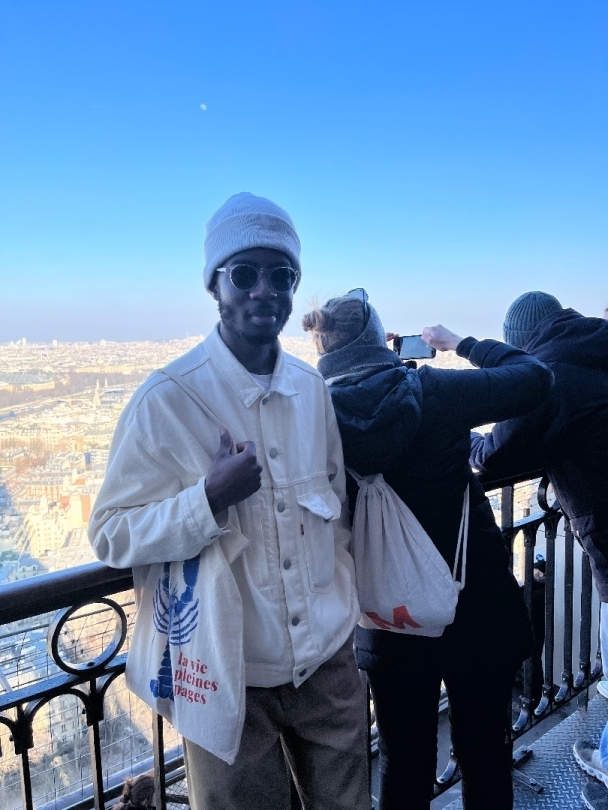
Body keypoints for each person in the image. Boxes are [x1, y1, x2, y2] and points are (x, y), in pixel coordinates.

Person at [88, 193, 369, 810]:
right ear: (214, 285)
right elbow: (109, 532)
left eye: (282, 275)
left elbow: (336, 510)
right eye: (244, 273)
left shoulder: (312, 390)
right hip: (223, 679)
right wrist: (206, 500)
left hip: (328, 666)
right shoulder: (166, 400)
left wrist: (343, 609)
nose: (265, 290)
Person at [301, 290, 553, 810]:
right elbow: (535, 378)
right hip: (475, 603)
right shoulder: (432, 390)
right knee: (486, 753)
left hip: (390, 618)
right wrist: (461, 343)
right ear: (380, 340)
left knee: (403, 764)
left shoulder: (311, 416)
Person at [467, 291, 608, 810]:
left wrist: (461, 438)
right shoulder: (595, 346)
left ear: (522, 346)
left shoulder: (550, 378)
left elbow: (496, 455)